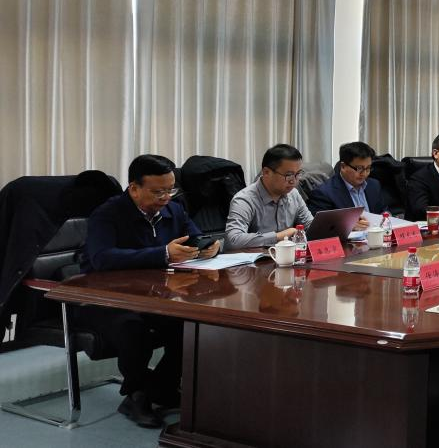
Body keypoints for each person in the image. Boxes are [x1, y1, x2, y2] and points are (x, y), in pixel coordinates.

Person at [81, 154, 221, 427]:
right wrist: (163, 254)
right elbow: (101, 258)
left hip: (154, 294)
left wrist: (208, 247)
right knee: (133, 330)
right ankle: (136, 395)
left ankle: (162, 387)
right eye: (158, 192)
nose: (167, 197)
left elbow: (194, 236)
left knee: (192, 326)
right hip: (105, 299)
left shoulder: (174, 210)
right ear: (134, 188)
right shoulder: (107, 214)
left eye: (171, 189)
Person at [225, 144, 314, 250]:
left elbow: (311, 227)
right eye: (288, 175)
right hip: (259, 259)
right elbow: (233, 240)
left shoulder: (293, 194)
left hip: (288, 257)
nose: (293, 181)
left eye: (298, 174)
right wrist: (278, 236)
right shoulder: (244, 200)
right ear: (266, 172)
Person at [307, 142, 382, 226]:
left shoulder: (374, 185)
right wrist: (347, 225)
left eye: (368, 168)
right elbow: (319, 226)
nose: (364, 174)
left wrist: (386, 215)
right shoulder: (324, 193)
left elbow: (382, 211)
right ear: (343, 166)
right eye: (359, 168)